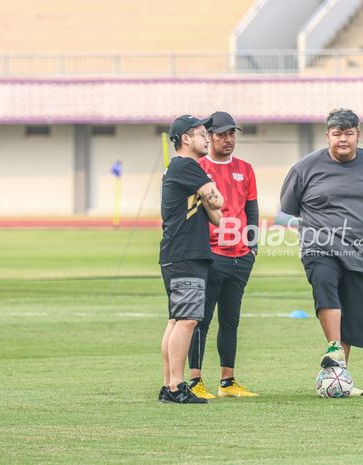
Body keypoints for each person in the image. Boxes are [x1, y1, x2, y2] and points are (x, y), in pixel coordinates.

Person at [279, 108, 363, 396]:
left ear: (358, 135)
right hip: (320, 245)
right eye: (337, 134)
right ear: (327, 136)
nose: (343, 139)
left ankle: (337, 376)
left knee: (355, 318)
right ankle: (334, 349)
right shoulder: (304, 168)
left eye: (348, 133)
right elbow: (290, 208)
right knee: (325, 284)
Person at [187, 111, 259, 399]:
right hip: (211, 255)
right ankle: (195, 380)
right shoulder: (198, 168)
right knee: (201, 320)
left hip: (240, 256)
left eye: (232, 134)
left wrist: (252, 248)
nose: (228, 139)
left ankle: (227, 382)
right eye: (221, 135)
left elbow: (251, 209)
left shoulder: (245, 168)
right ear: (209, 136)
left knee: (231, 321)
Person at [158, 115, 224, 404]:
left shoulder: (184, 170)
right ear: (186, 138)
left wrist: (207, 196)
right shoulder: (187, 166)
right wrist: (208, 192)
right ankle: (175, 386)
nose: (207, 138)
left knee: (176, 321)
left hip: (179, 254)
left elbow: (216, 217)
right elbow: (219, 201)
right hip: (186, 254)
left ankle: (168, 385)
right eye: (201, 134)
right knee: (187, 321)